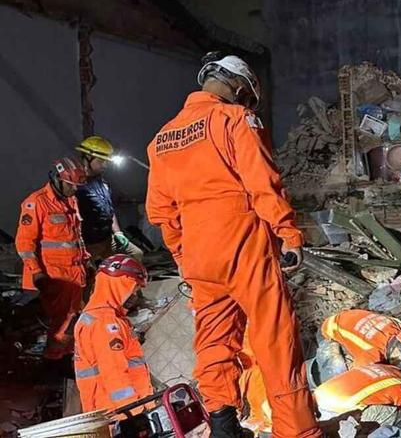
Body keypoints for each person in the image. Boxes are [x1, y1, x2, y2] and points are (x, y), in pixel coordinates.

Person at [146, 52, 319, 438]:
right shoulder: (236, 119)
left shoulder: (160, 139)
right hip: (242, 240)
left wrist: (181, 255)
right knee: (274, 337)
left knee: (213, 338)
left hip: (197, 250)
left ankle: (223, 424)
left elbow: (161, 211)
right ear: (240, 88)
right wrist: (288, 233)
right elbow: (262, 184)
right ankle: (297, 431)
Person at [16, 157, 88, 361]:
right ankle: (54, 359)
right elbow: (24, 244)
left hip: (74, 273)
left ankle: (67, 354)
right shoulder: (36, 202)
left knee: (73, 316)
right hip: (55, 275)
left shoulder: (70, 200)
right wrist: (36, 272)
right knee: (63, 320)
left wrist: (86, 260)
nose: (74, 190)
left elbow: (75, 236)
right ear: (58, 179)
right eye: (71, 185)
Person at [73, 254, 153, 411]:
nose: (135, 295)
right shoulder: (104, 323)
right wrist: (134, 412)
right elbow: (114, 374)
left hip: (120, 408)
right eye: (134, 288)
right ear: (121, 284)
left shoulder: (104, 317)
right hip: (119, 413)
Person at [75, 136, 144, 264]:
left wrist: (118, 233)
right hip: (89, 244)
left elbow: (109, 211)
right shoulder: (75, 186)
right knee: (91, 278)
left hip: (107, 239)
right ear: (87, 159)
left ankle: (128, 283)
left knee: (136, 255)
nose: (105, 165)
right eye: (101, 161)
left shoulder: (101, 182)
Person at [320, 309, 401, 382]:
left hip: (349, 315)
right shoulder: (372, 355)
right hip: (329, 328)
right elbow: (358, 376)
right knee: (339, 371)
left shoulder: (400, 327)